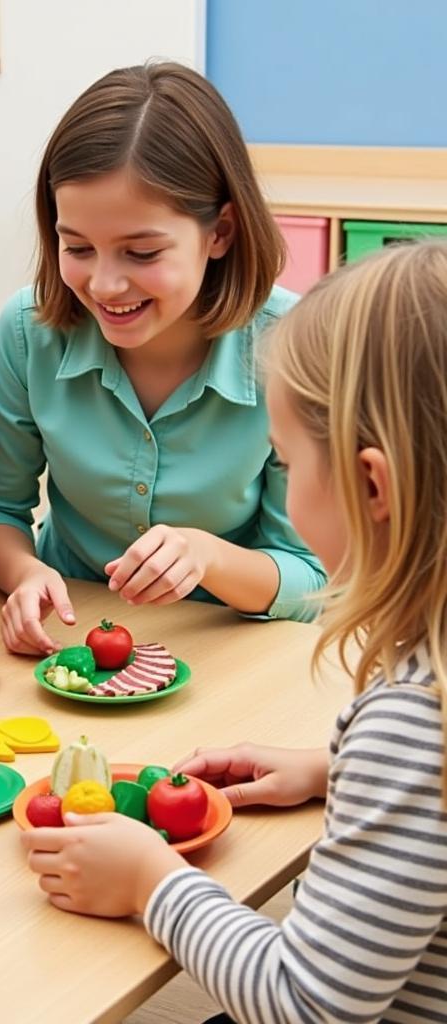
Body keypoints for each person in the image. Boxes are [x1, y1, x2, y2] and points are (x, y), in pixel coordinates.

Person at [23, 242, 447, 1022]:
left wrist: (152, 882)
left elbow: (306, 1003)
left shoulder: (415, 722)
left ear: (372, 483)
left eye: (287, 459)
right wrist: (335, 769)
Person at [0, 63, 324, 655]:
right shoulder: (28, 330)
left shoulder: (297, 346)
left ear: (221, 232)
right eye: (76, 246)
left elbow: (309, 577)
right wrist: (26, 575)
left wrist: (206, 557)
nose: (104, 285)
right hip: (70, 638)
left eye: (141, 251)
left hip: (229, 649)